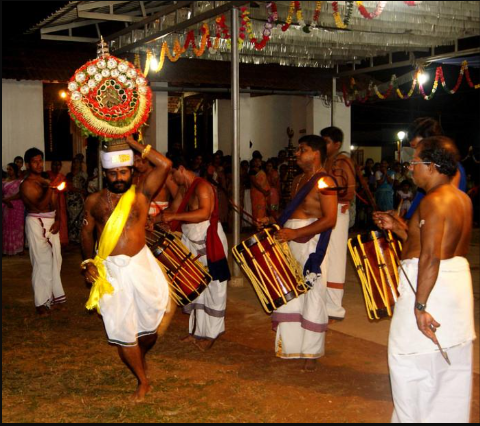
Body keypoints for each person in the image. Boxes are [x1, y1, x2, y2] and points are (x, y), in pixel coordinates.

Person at [373, 136, 475, 423]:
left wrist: (419, 307)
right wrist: (398, 226)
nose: (411, 168)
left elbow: (430, 257)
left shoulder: (433, 201)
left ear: (431, 166)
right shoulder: (462, 199)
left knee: (409, 364)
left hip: (430, 289)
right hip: (455, 287)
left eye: (415, 162)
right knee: (449, 371)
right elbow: (434, 246)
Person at [81, 136, 175, 402]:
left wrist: (133, 143)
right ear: (105, 173)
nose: (118, 177)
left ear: (132, 169)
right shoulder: (94, 201)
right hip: (111, 270)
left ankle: (140, 353)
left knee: (152, 319)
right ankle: (142, 380)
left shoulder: (142, 193)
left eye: (123, 171)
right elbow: (86, 234)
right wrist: (88, 262)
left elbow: (165, 165)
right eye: (113, 173)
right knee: (120, 327)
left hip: (141, 264)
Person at [261, 135, 337, 371]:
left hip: (310, 243)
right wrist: (272, 221)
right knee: (290, 290)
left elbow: (330, 219)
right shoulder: (296, 180)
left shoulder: (325, 182)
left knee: (312, 293)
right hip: (291, 240)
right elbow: (294, 213)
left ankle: (312, 352)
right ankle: (291, 345)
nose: (296, 154)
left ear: (315, 153)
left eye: (301, 150)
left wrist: (295, 234)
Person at [159, 156, 230, 352]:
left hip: (209, 241)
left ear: (181, 168)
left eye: (173, 175)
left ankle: (212, 334)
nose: (173, 180)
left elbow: (204, 213)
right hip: (191, 241)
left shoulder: (203, 186)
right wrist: (157, 220)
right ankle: (197, 331)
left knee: (214, 289)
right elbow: (174, 209)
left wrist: (174, 217)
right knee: (194, 285)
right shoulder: (185, 189)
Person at [20, 148, 66, 315]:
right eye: (35, 161)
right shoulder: (26, 184)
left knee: (56, 260)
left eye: (41, 161)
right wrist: (51, 188)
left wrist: (59, 220)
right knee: (42, 262)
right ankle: (41, 302)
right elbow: (39, 205)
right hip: (36, 222)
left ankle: (52, 298)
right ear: (27, 164)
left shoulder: (45, 180)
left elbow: (54, 203)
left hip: (51, 221)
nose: (39, 164)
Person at [320, 126, 355, 321]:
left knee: (336, 258)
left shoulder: (343, 161)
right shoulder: (326, 160)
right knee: (324, 255)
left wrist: (327, 190)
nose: (324, 146)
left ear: (337, 144)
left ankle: (334, 307)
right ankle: (324, 303)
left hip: (339, 213)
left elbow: (348, 191)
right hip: (325, 213)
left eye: (326, 142)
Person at [405, 117, 467, 219]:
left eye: (420, 147)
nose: (416, 154)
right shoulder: (431, 170)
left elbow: (443, 220)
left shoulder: (449, 171)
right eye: (415, 149)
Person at [133, 149, 178, 227]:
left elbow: (179, 200)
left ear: (148, 158)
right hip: (139, 224)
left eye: (139, 161)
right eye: (134, 161)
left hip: (160, 225)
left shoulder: (165, 176)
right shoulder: (134, 177)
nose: (136, 165)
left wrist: (160, 218)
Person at [2, 163, 25, 255]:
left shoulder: (19, 182)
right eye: (7, 169)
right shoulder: (4, 181)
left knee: (17, 226)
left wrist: (9, 200)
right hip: (5, 205)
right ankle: (8, 248)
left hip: (16, 205)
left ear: (15, 170)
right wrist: (5, 200)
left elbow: (20, 195)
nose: (8, 171)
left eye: (10, 169)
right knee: (6, 226)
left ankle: (17, 248)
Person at [66, 156, 88, 244]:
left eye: (77, 163)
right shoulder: (69, 175)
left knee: (80, 218)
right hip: (71, 200)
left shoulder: (84, 175)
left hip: (80, 199)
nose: (75, 164)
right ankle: (71, 238)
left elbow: (86, 187)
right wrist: (79, 190)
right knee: (71, 218)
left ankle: (78, 239)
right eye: (74, 162)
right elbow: (68, 187)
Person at [47, 160, 68, 246]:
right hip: (49, 198)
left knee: (61, 217)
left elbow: (64, 188)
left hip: (60, 199)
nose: (56, 166)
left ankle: (62, 239)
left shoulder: (62, 176)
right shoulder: (47, 174)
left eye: (58, 165)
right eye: (54, 164)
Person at [249, 157, 270, 222]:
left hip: (263, 194)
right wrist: (263, 191)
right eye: (256, 161)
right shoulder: (252, 171)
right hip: (257, 193)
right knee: (257, 209)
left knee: (263, 209)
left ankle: (263, 223)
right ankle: (258, 223)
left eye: (259, 161)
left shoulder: (262, 170)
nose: (257, 163)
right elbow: (255, 183)